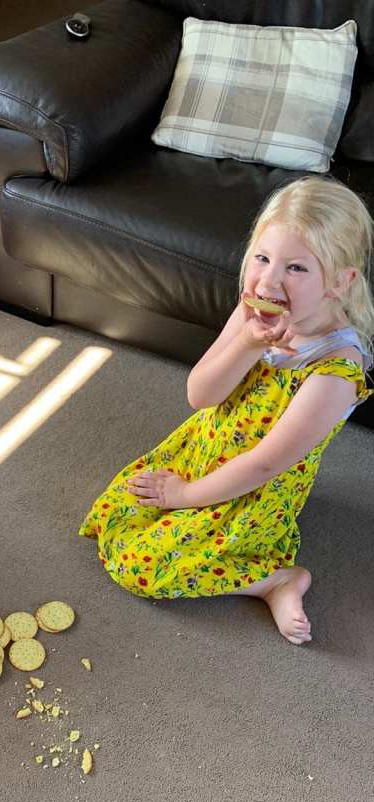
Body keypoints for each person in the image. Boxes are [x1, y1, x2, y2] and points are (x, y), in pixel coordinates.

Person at [79, 177, 373, 645]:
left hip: (255, 488)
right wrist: (248, 343)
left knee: (140, 566)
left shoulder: (335, 370)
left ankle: (273, 580)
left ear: (340, 281)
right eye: (262, 258)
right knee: (116, 515)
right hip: (204, 448)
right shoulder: (257, 313)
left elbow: (263, 465)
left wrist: (184, 495)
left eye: (296, 267)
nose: (269, 281)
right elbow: (201, 394)